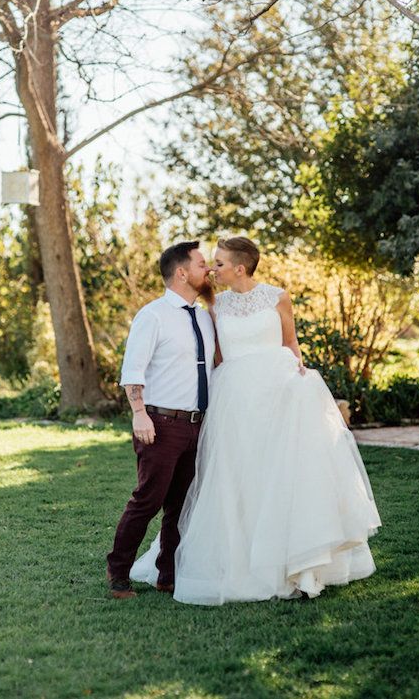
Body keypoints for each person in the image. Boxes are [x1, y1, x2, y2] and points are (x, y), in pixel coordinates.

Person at [131, 236, 381, 605]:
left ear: (240, 267)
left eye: (218, 262)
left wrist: (299, 374)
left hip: (279, 394)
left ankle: (299, 564)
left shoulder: (278, 296)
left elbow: (290, 344)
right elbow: (215, 356)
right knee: (237, 477)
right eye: (210, 262)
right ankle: (237, 559)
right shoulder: (215, 305)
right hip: (234, 399)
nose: (213, 268)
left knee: (282, 475)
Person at [106, 241, 216, 599]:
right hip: (160, 423)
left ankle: (167, 574)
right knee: (148, 500)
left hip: (198, 425)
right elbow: (132, 371)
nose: (209, 270)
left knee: (181, 505)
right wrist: (139, 415)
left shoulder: (203, 315)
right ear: (182, 272)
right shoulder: (152, 315)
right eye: (202, 264)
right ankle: (118, 573)